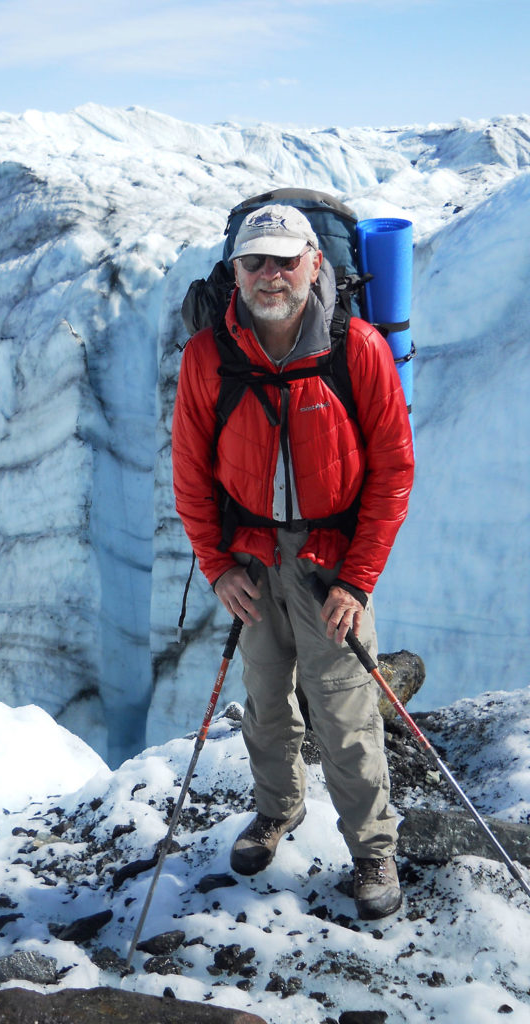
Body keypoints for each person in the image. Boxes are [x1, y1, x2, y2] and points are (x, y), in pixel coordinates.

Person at [171, 204, 415, 920]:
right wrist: (218, 567)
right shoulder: (208, 358)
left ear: (315, 263)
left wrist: (358, 579)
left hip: (331, 559)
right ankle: (277, 810)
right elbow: (190, 475)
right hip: (251, 558)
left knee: (343, 711)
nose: (270, 275)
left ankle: (373, 849)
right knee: (268, 699)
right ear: (233, 272)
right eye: (255, 262)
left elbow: (393, 472)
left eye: (285, 260)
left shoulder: (358, 348)